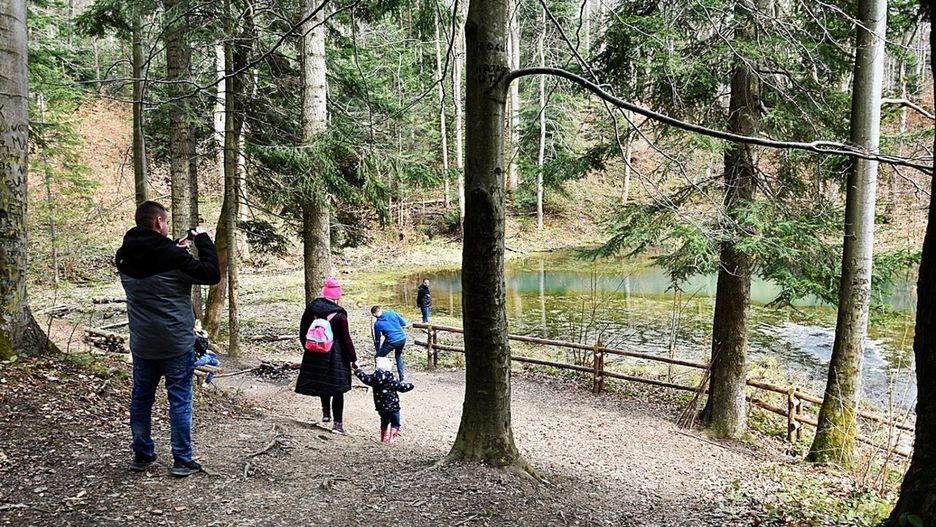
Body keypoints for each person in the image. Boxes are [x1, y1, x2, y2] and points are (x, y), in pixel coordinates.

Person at [116, 201, 220, 477]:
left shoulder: (124, 256)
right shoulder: (172, 258)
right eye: (166, 222)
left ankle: (142, 454)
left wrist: (173, 248)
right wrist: (204, 241)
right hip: (175, 342)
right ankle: (182, 459)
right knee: (179, 400)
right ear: (159, 222)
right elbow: (211, 274)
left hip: (143, 342)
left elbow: (151, 261)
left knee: (141, 399)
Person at [296, 278, 358, 434]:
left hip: (314, 353)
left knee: (323, 382)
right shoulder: (340, 315)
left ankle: (325, 412)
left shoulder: (311, 309)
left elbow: (303, 332)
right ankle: (338, 424)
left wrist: (309, 348)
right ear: (337, 296)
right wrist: (353, 358)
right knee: (338, 389)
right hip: (335, 355)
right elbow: (346, 339)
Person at [353, 357, 414, 443]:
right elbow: (401, 387)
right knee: (395, 423)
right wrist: (410, 385)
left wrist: (357, 371)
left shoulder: (374, 378)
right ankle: (392, 439)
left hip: (381, 408)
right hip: (393, 407)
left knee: (384, 422)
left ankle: (383, 438)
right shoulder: (392, 379)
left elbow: (365, 378)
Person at [371, 305, 408, 381]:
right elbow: (404, 323)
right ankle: (402, 377)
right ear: (380, 310)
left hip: (392, 341)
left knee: (378, 357)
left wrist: (378, 350)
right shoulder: (392, 313)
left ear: (374, 314)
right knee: (398, 356)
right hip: (402, 338)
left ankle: (379, 376)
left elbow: (377, 339)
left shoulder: (377, 324)